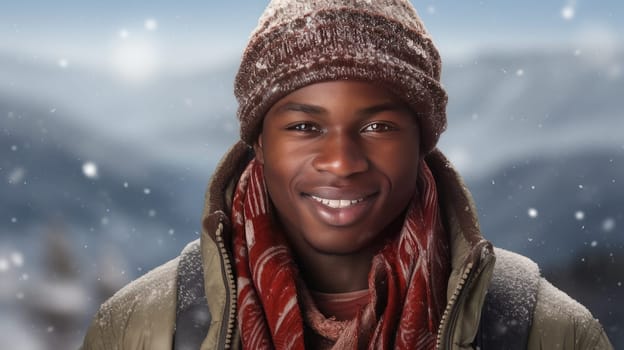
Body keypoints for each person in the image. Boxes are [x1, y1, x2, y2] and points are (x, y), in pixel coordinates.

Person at [83, 1, 613, 349]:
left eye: (379, 124)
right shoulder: (144, 326)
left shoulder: (546, 330)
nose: (341, 161)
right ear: (259, 144)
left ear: (422, 144)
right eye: (306, 127)